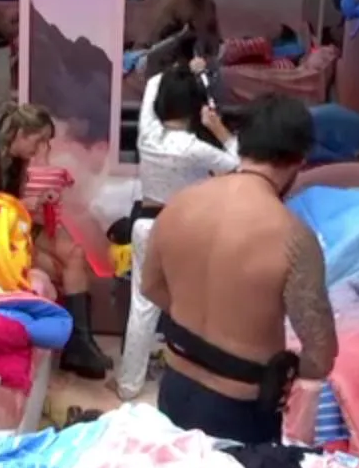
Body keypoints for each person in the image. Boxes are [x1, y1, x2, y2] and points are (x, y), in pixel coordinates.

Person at [142, 93, 337, 444]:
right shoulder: (294, 237)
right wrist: (287, 374)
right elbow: (321, 351)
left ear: (242, 144)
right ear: (299, 161)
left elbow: (151, 287)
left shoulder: (180, 204)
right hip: (239, 408)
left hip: (176, 383)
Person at [114, 64, 238, 401]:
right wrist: (218, 128)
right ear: (195, 106)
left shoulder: (148, 133)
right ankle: (189, 380)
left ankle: (128, 386)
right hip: (186, 230)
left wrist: (180, 69)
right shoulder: (196, 148)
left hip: (147, 225)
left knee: (142, 306)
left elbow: (153, 84)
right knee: (192, 305)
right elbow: (240, 167)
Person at [0, 103, 111, 378]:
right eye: (39, 139)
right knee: (58, 269)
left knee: (75, 254)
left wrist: (37, 202)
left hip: (12, 226)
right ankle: (76, 346)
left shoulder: (18, 163)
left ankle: (81, 343)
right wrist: (23, 205)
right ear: (20, 133)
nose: (42, 147)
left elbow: (13, 204)